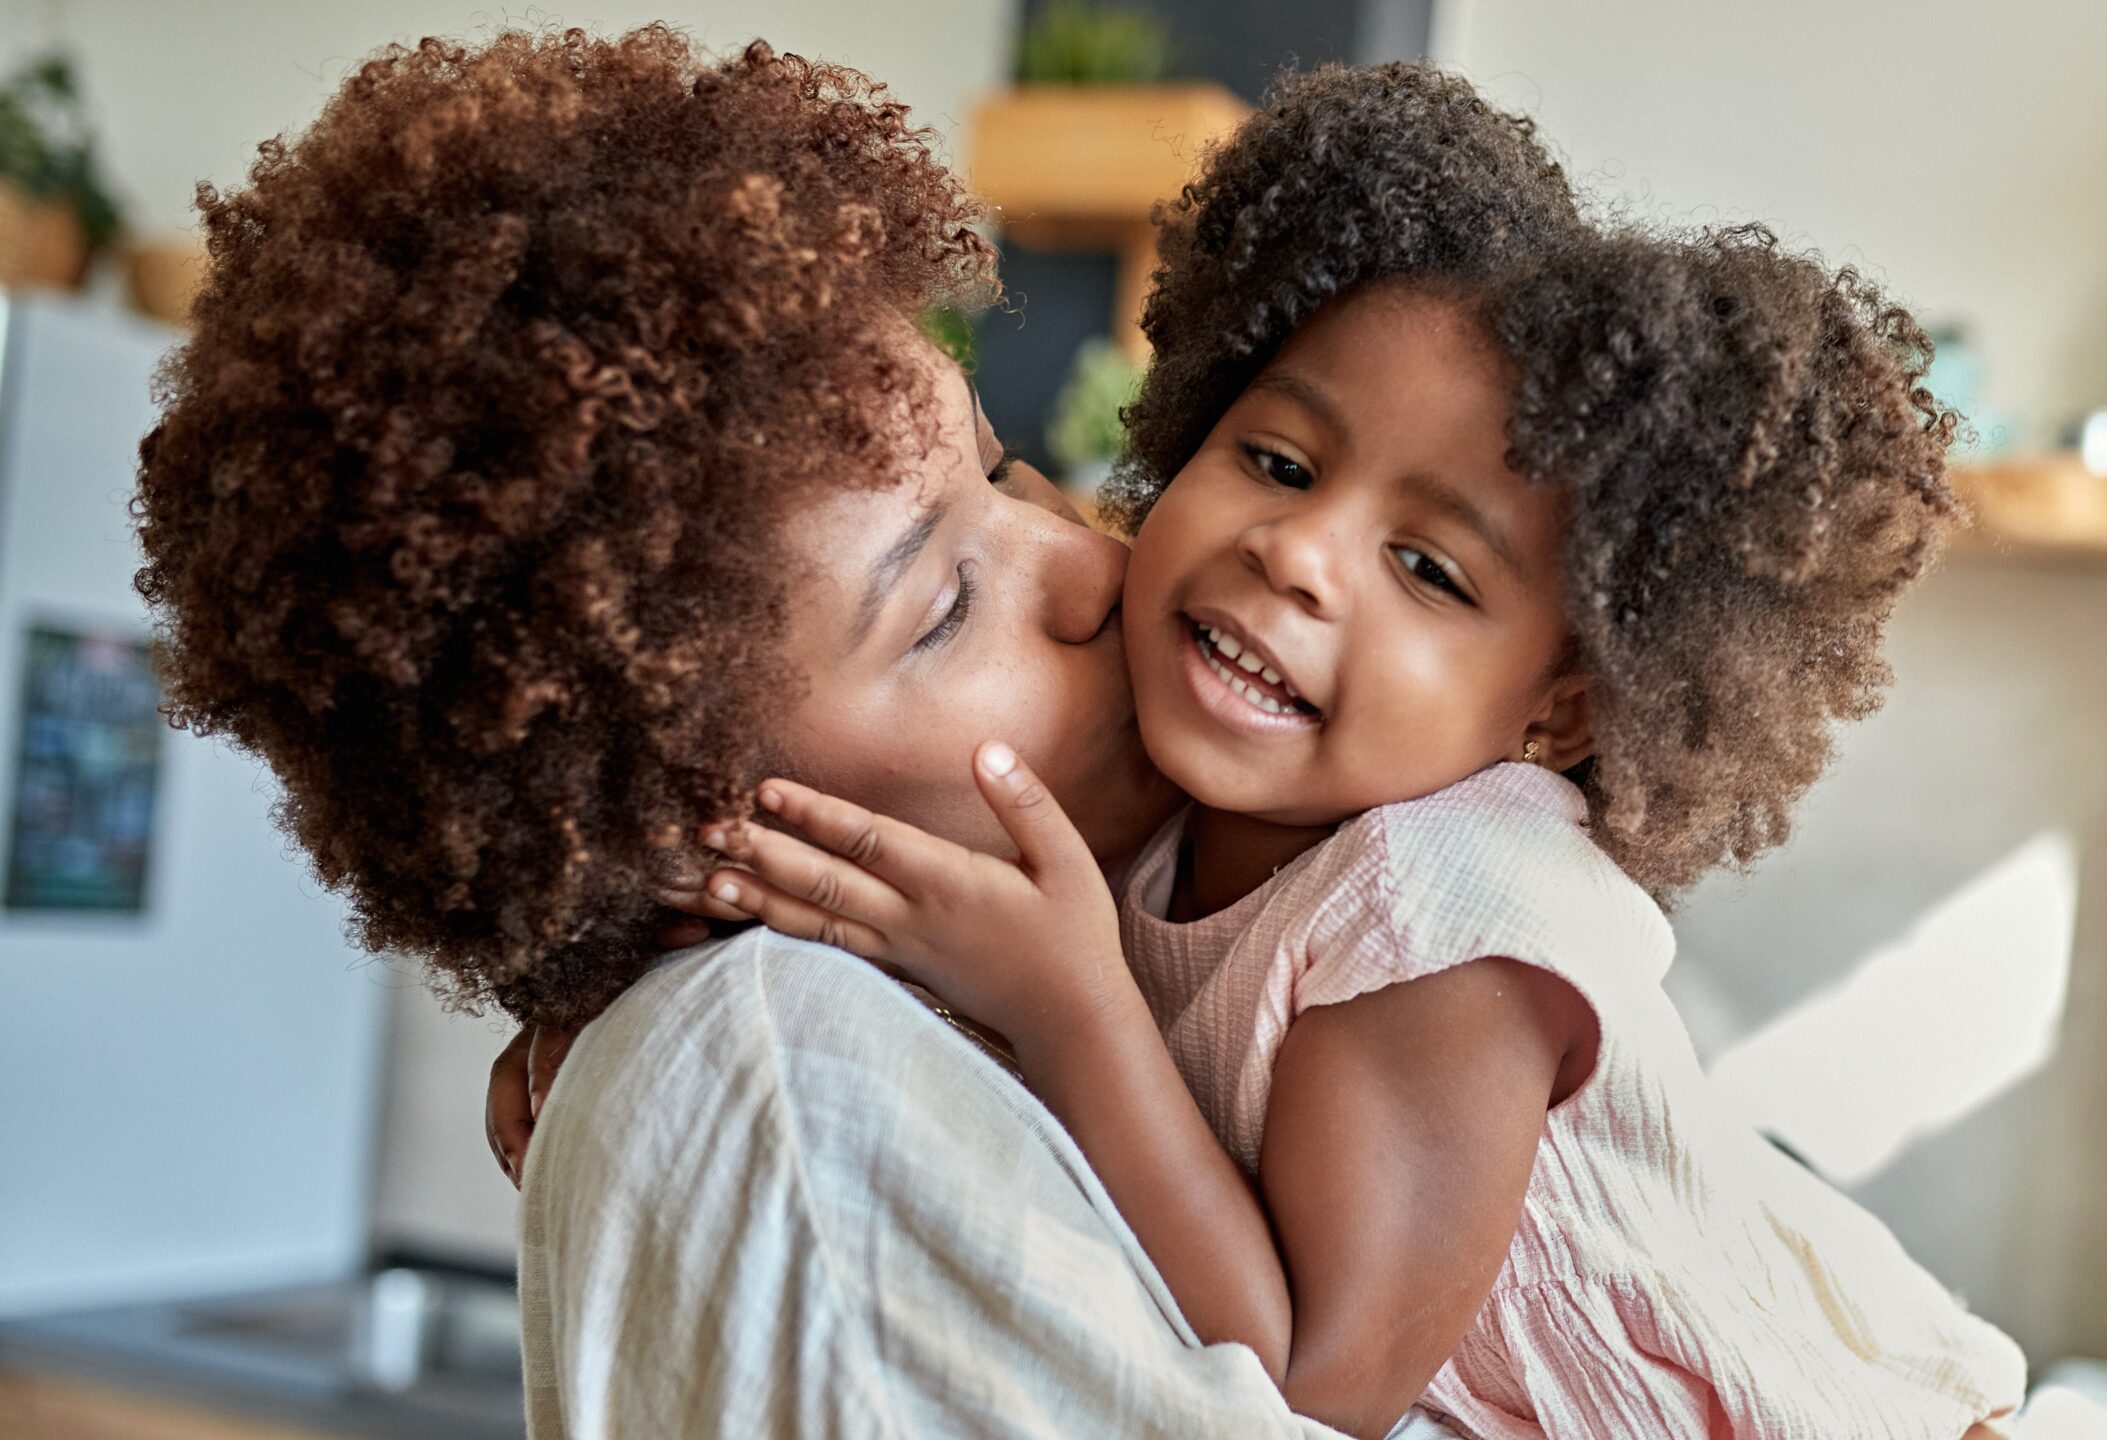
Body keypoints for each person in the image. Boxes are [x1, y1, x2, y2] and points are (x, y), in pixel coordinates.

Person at [131, 25, 1473, 1438]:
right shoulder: (789, 1078)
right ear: (691, 825)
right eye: (947, 606)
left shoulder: (1402, 865)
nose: (1094, 569)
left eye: (1004, 468)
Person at [671, 69, 2025, 1440]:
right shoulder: (1180, 776)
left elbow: (1315, 1387)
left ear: (1556, 717)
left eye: (1429, 568)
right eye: (1277, 461)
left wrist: (1069, 1003)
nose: (1299, 554)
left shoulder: (1443, 913)